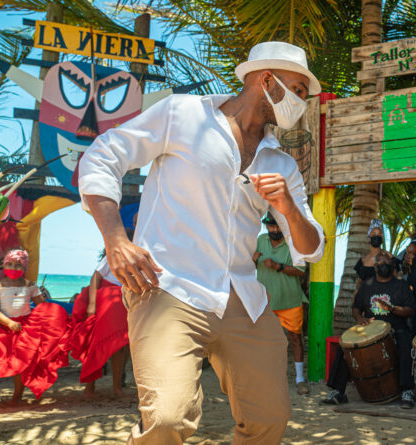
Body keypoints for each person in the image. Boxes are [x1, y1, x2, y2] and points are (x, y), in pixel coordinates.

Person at [78, 41, 324, 444]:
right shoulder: (183, 114)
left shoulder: (281, 163)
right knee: (168, 420)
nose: (301, 102)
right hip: (166, 288)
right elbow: (103, 156)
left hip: (243, 298)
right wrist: (115, 239)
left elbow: (311, 248)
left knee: (270, 419)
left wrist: (289, 208)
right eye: (297, 90)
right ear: (267, 80)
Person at [322, 252, 416, 408]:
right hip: (370, 327)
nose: (384, 266)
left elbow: (411, 311)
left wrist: (393, 309)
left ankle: (407, 390)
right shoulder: (367, 285)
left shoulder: (401, 285)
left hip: (394, 326)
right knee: (345, 345)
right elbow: (355, 308)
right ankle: (338, 391)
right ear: (375, 266)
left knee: (406, 341)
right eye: (380, 264)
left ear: (393, 265)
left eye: (387, 263)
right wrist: (360, 319)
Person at [0, 249, 69, 407]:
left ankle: (17, 397)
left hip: (24, 329)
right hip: (0, 328)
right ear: (4, 264)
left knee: (20, 363)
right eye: (10, 264)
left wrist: (58, 318)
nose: (13, 268)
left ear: (25, 268)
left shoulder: (30, 285)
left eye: (18, 265)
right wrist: (9, 323)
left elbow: (43, 305)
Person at [254, 212, 309, 395]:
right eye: (271, 226)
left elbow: (301, 271)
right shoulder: (260, 240)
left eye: (278, 226)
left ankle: (300, 379)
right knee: (264, 340)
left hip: (290, 300)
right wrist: (252, 261)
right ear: (266, 226)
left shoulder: (294, 243)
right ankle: (265, 378)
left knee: (295, 339)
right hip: (266, 301)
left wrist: (278, 266)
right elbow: (246, 266)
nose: (274, 230)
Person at [67, 250, 130, 399]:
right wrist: (92, 304)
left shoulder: (140, 257)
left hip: (124, 300)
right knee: (97, 343)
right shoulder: (114, 255)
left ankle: (117, 387)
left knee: (120, 345)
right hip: (107, 300)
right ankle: (90, 387)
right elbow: (96, 276)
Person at [353, 219, 396, 290]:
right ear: (369, 237)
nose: (376, 236)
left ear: (382, 238)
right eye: (373, 234)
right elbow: (359, 284)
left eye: (379, 234)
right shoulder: (363, 260)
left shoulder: (388, 257)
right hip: (365, 297)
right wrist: (355, 299)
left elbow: (396, 279)